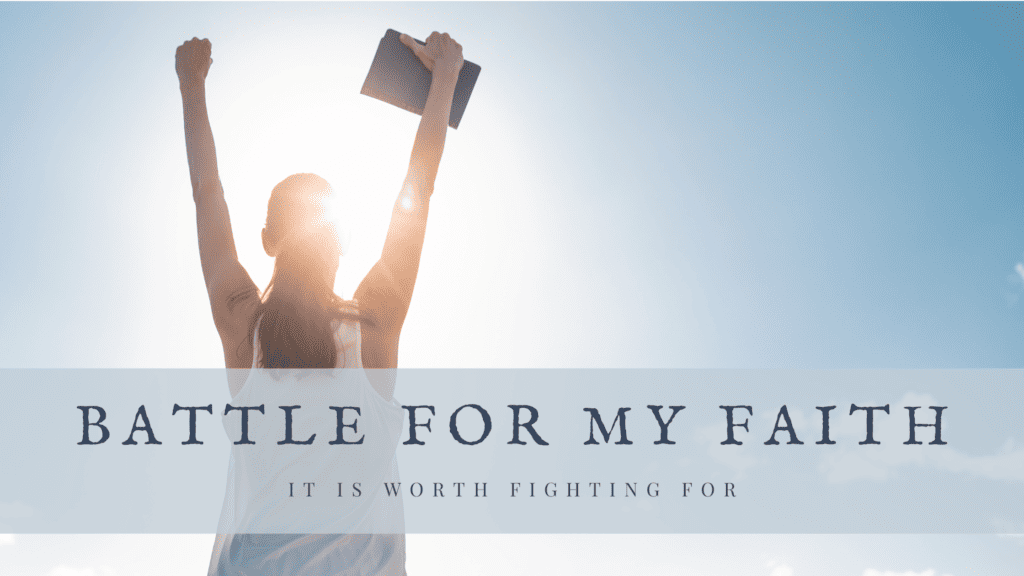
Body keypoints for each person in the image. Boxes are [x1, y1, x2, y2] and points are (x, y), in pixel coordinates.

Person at [175, 31, 465, 576]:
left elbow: (205, 192)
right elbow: (418, 188)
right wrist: (444, 77)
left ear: (267, 239)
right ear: (343, 242)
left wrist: (191, 85)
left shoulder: (244, 326)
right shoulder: (375, 323)